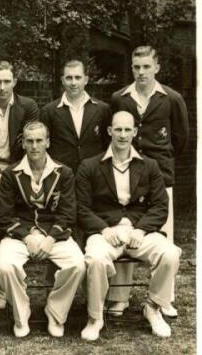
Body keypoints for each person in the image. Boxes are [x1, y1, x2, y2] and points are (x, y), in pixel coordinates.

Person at [77, 111, 181, 341]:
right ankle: (95, 317)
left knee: (171, 254)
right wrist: (104, 229)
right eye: (118, 129)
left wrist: (141, 229)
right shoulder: (90, 166)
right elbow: (81, 208)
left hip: (139, 233)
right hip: (104, 232)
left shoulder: (150, 166)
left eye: (127, 130)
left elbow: (161, 206)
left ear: (134, 132)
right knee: (94, 258)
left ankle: (153, 307)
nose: (122, 135)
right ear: (109, 131)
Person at [107, 46, 189, 318]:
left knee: (161, 238)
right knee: (124, 231)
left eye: (146, 67)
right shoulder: (120, 98)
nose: (141, 72)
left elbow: (181, 138)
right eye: (136, 67)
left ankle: (162, 298)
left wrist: (156, 164)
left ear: (156, 67)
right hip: (125, 174)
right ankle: (119, 296)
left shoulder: (172, 98)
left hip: (160, 177)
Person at [0, 121, 85, 338]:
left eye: (39, 141)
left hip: (54, 235)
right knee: (5, 266)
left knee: (78, 265)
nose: (34, 146)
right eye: (30, 141)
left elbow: (68, 213)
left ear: (48, 142)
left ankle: (55, 312)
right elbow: (2, 216)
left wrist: (51, 238)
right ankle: (21, 314)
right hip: (19, 235)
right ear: (23, 143)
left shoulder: (63, 173)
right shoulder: (11, 173)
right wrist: (27, 236)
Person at [0, 60, 39, 309]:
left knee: (11, 231)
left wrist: (10, 176)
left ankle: (1, 292)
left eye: (6, 81)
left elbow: (29, 141)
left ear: (14, 82)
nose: (2, 87)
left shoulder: (28, 107)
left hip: (19, 173)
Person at [40, 59, 110, 175]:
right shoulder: (49, 111)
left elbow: (107, 145)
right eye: (69, 78)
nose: (73, 83)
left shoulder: (102, 109)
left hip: (95, 176)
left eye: (78, 78)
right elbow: (45, 148)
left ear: (86, 80)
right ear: (62, 80)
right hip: (61, 177)